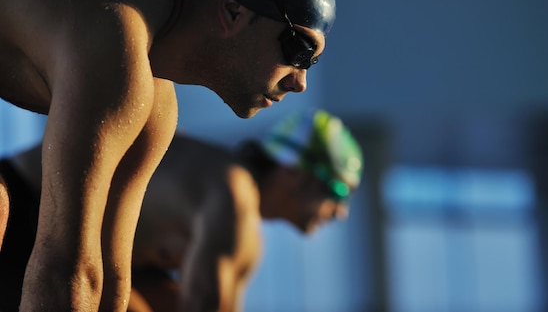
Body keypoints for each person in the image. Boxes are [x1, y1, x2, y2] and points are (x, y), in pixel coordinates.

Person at [0, 0, 336, 310]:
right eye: (299, 50)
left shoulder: (156, 105)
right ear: (233, 12)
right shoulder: (117, 40)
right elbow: (65, 269)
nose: (300, 82)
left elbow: (107, 280)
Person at [0, 109, 363, 312]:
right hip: (20, 209)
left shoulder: (217, 178)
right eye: (337, 190)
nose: (340, 212)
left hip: (36, 216)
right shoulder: (236, 199)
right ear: (292, 171)